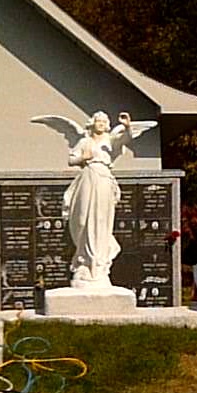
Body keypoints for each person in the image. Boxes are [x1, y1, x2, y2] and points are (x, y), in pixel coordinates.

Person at [64, 111, 133, 289]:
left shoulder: (109, 140)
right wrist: (83, 158)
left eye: (104, 121)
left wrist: (127, 127)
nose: (101, 123)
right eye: (98, 121)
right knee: (82, 219)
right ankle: (83, 261)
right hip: (88, 176)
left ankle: (98, 264)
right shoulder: (85, 141)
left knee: (100, 219)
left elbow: (124, 139)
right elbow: (71, 160)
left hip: (103, 178)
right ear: (92, 123)